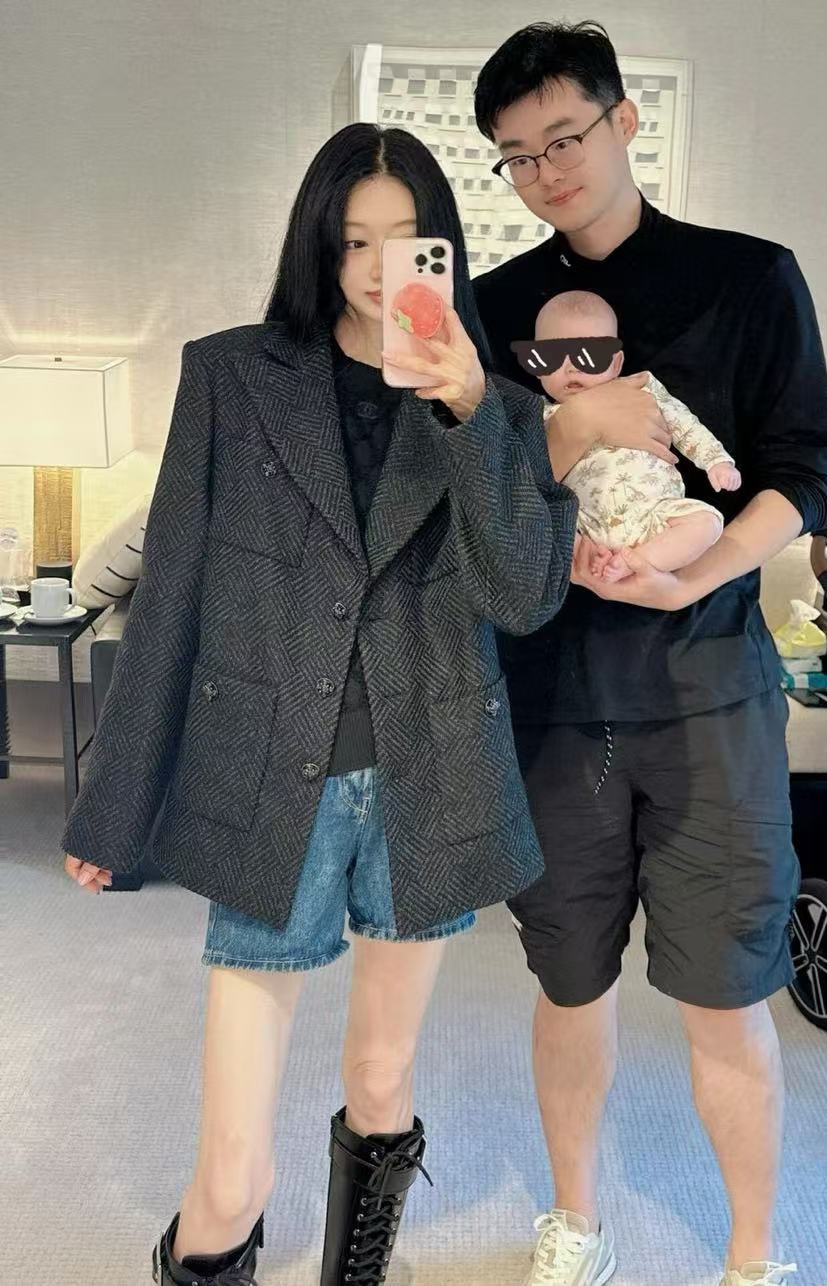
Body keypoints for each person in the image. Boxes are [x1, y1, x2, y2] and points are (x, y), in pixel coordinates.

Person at [61, 122, 578, 1286]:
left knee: (382, 1078)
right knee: (229, 1168)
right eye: (354, 241)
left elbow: (524, 596)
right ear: (319, 245)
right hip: (266, 771)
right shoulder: (231, 376)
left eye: (407, 241)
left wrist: (467, 414)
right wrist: (114, 800)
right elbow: (173, 588)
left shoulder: (497, 406)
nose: (380, 269)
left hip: (427, 779)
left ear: (443, 249)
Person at [473, 21, 827, 1286]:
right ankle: (576, 1219)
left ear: (624, 120)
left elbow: (806, 465)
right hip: (552, 700)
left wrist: (697, 569)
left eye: (563, 139)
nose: (545, 172)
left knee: (726, 986)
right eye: (518, 156)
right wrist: (570, 427)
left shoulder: (748, 279)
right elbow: (464, 497)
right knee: (567, 981)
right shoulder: (491, 311)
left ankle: (752, 1255)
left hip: (707, 694)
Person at [520, 288, 742, 582]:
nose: (570, 367)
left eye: (589, 355)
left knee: (707, 523)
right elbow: (526, 480)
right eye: (551, 356)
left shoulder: (640, 389)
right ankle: (600, 563)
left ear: (615, 363)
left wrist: (716, 460)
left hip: (656, 513)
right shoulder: (539, 416)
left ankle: (637, 561)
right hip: (584, 522)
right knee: (543, 526)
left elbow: (683, 423)